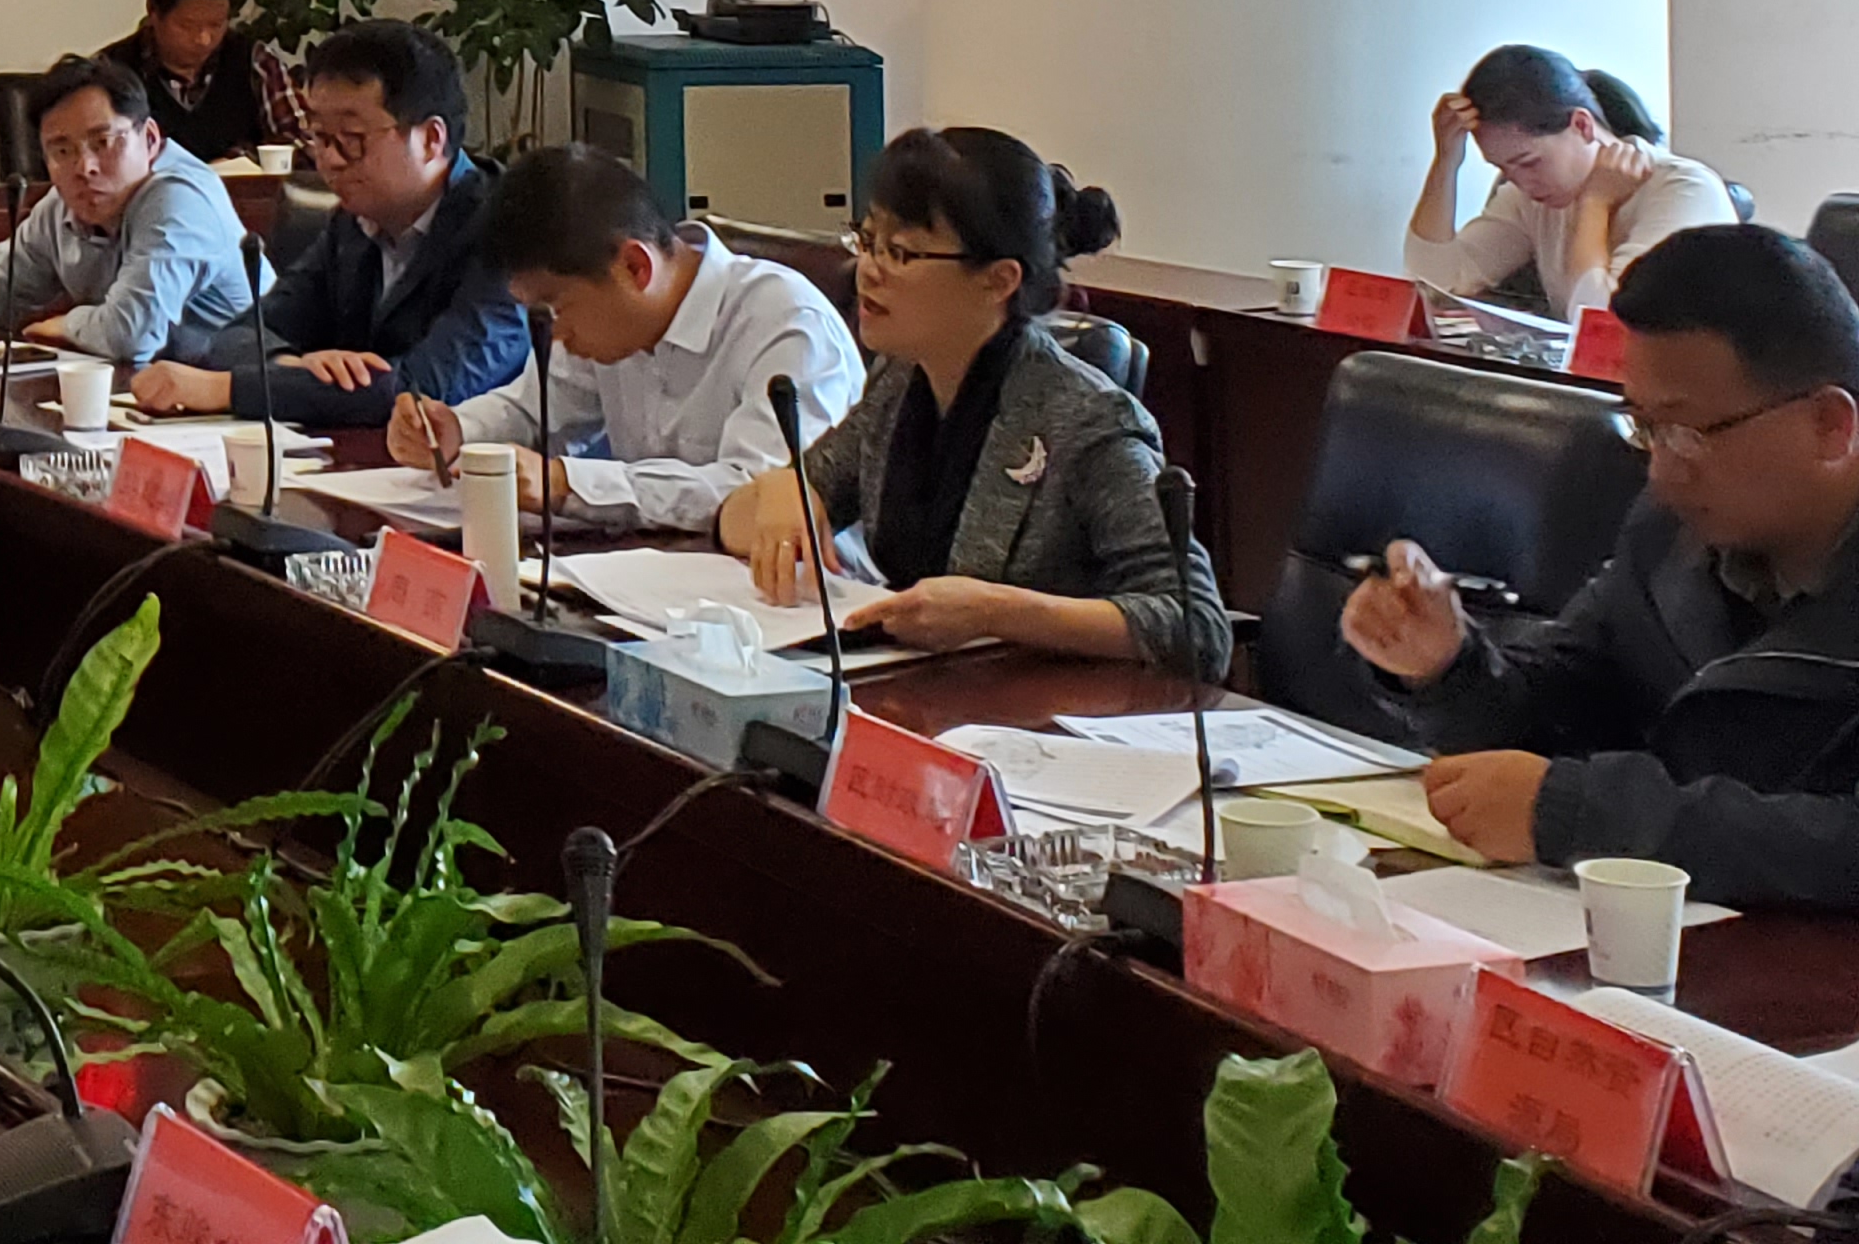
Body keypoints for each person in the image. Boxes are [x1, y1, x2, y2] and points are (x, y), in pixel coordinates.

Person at [1343, 224, 1859, 903]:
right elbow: (1564, 702)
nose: (1663, 474)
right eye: (1645, 426)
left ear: (1829, 425)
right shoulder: (1669, 532)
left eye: (1688, 434)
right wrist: (1448, 668)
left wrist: (1584, 814)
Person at [715, 128, 1228, 672]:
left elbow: (1197, 627)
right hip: (925, 688)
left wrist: (996, 613)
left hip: (1049, 703)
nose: (868, 270)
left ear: (998, 280)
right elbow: (746, 518)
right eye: (866, 241)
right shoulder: (901, 379)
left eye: (900, 252)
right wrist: (780, 492)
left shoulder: (1089, 419)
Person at [386, 143, 864, 536]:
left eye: (558, 308)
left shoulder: (788, 326)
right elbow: (534, 410)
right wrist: (458, 429)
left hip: (802, 600)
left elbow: (758, 497)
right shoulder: (609, 321)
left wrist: (565, 483)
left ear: (635, 267)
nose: (558, 333)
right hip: (664, 576)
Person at [126, 22, 531, 431]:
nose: (331, 160)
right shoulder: (353, 224)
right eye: (320, 136)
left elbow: (421, 391)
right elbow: (240, 335)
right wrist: (288, 365)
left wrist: (227, 390)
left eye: (352, 138)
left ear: (430, 138)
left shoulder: (509, 232)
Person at [0, 54, 255, 367]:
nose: (85, 167)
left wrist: (67, 325)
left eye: (103, 143)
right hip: (156, 391)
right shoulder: (62, 205)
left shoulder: (182, 199)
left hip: (245, 389)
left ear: (149, 139)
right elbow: (3, 279)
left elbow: (132, 333)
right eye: (62, 151)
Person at [1407, 45, 1734, 319]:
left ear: (1581, 125)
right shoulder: (1529, 198)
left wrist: (1595, 204)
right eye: (1504, 168)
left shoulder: (1685, 189)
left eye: (1529, 162)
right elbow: (1437, 284)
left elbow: (1603, 320)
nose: (1522, 183)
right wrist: (1446, 163)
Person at [106, 0, 300, 171]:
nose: (204, 39)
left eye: (217, 24)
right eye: (187, 26)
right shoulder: (110, 73)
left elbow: (295, 142)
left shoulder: (255, 62)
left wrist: (238, 160)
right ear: (153, 12)